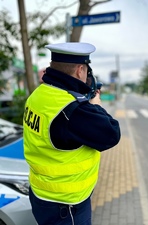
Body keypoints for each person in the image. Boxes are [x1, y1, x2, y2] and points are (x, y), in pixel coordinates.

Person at [23, 42, 121, 225]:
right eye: (86, 69)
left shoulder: (38, 95)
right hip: (67, 205)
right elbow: (112, 133)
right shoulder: (74, 111)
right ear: (79, 70)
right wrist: (96, 105)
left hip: (40, 194)